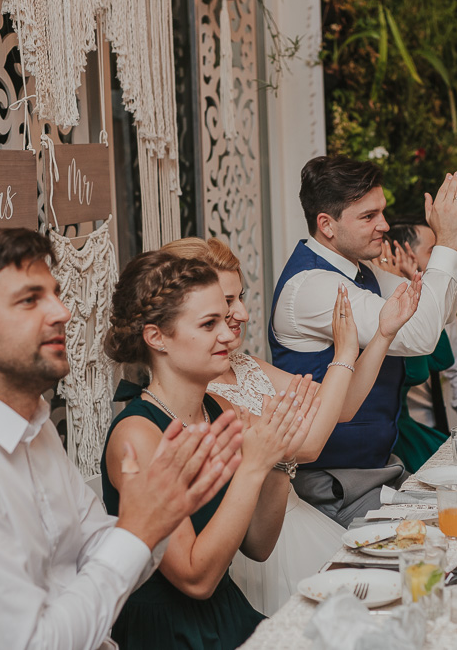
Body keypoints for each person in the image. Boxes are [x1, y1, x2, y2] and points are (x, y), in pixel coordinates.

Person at [0, 228, 243, 650]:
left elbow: (100, 550)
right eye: (30, 300)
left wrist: (162, 511)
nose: (63, 312)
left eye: (55, 293)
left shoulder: (36, 429)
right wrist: (140, 530)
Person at [161, 236, 421, 613]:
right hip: (264, 549)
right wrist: (345, 352)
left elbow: (341, 408)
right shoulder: (203, 393)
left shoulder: (245, 365)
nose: (243, 313)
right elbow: (311, 443)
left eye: (237, 298)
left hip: (298, 523)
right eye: (225, 303)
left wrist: (383, 334)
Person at [101, 251, 320, 649]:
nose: (227, 333)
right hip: (169, 632)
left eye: (224, 318)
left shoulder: (220, 410)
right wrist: (253, 466)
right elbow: (195, 578)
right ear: (157, 337)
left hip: (226, 611)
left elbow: (258, 544)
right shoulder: (138, 435)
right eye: (208, 324)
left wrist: (278, 457)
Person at [269, 156, 457, 524]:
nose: (384, 225)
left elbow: (439, 314)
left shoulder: (361, 271)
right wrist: (446, 239)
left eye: (381, 212)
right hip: (332, 485)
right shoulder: (312, 287)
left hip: (376, 471)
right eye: (368, 217)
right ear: (327, 225)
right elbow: (420, 336)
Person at [376, 220, 457, 472]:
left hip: (428, 428)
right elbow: (430, 361)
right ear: (400, 255)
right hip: (396, 436)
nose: (444, 259)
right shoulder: (380, 304)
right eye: (435, 251)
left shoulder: (440, 305)